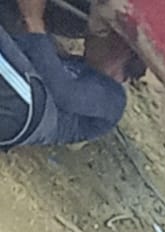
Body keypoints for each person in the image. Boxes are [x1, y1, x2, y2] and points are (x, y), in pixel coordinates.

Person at [0, 0, 125, 152]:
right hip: (20, 99)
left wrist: (34, 21)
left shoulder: (114, 97)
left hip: (28, 106)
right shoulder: (80, 65)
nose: (91, 34)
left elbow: (63, 94)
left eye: (104, 30)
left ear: (120, 46)